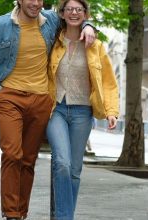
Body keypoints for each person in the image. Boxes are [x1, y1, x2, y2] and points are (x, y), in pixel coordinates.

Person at [0, 0, 96, 219]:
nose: (36, 3)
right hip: (9, 96)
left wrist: (89, 27)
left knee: (28, 159)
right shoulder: (0, 25)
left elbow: (75, 18)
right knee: (12, 153)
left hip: (41, 99)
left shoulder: (50, 21)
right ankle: (11, 213)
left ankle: (21, 212)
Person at [46, 0, 120, 219]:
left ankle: (63, 214)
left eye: (79, 9)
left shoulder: (95, 46)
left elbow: (108, 81)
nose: (74, 13)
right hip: (56, 109)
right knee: (62, 164)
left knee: (75, 171)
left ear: (86, 14)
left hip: (83, 112)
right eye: (69, 9)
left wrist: (111, 111)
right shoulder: (53, 41)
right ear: (62, 13)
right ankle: (64, 217)